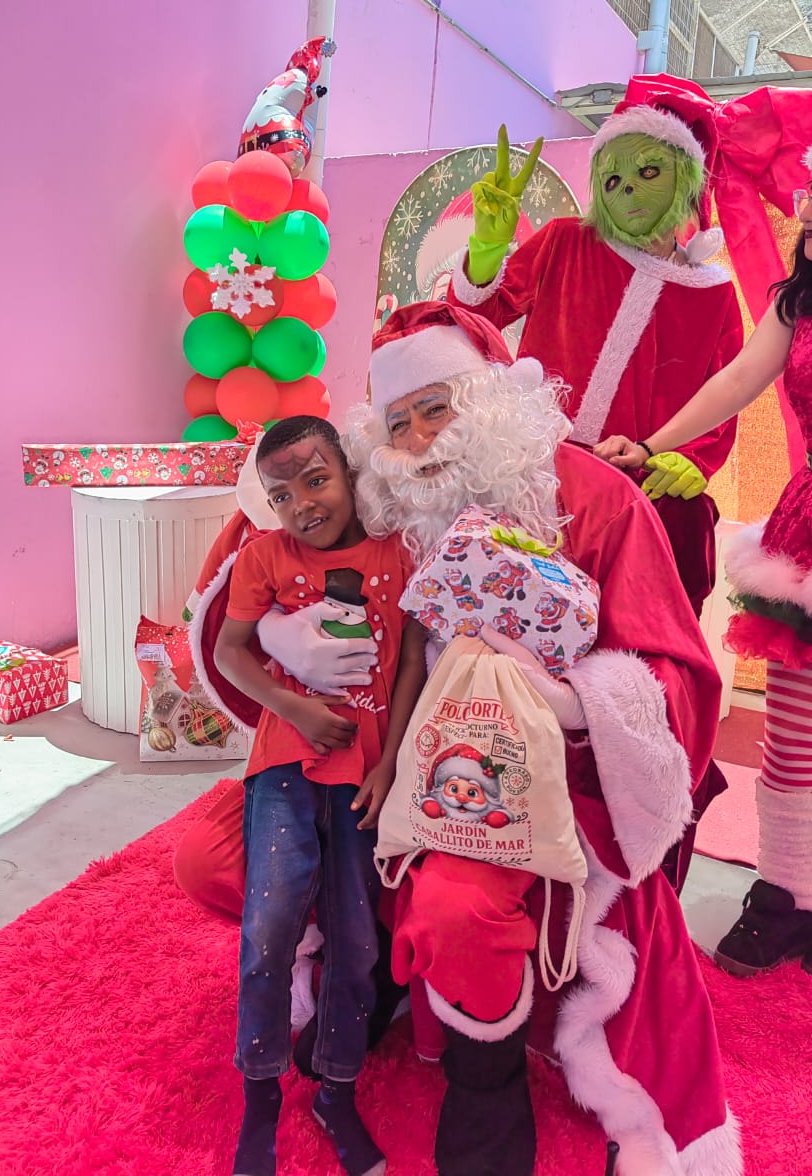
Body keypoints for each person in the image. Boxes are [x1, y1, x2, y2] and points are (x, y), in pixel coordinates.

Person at [179, 303, 742, 1176]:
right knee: (217, 859)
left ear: (490, 403)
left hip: (519, 785)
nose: (417, 441)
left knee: (456, 906)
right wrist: (280, 641)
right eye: (397, 422)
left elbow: (674, 674)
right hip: (369, 756)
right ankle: (373, 979)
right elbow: (252, 554)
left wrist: (571, 701)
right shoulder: (379, 497)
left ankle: (486, 1091)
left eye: (435, 409)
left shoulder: (592, 498)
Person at [595, 148, 812, 980]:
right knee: (793, 736)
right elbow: (737, 380)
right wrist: (652, 444)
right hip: (808, 532)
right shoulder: (797, 302)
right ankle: (784, 896)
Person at [213, 414, 427, 1176]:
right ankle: (260, 1097)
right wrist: (296, 708)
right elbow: (228, 651)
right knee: (269, 923)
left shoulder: (399, 553)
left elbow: (412, 663)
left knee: (357, 939)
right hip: (284, 768)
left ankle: (336, 1090)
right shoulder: (264, 557)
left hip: (363, 779)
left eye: (315, 480)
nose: (302, 505)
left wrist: (390, 764)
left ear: (347, 472)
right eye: (282, 495)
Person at [447, 80, 743, 622]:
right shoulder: (566, 241)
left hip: (637, 495)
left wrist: (688, 458)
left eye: (648, 172)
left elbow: (724, 393)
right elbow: (476, 319)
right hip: (537, 476)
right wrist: (486, 249)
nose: (627, 189)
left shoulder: (712, 292)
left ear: (686, 179)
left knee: (625, 630)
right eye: (613, 179)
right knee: (519, 620)